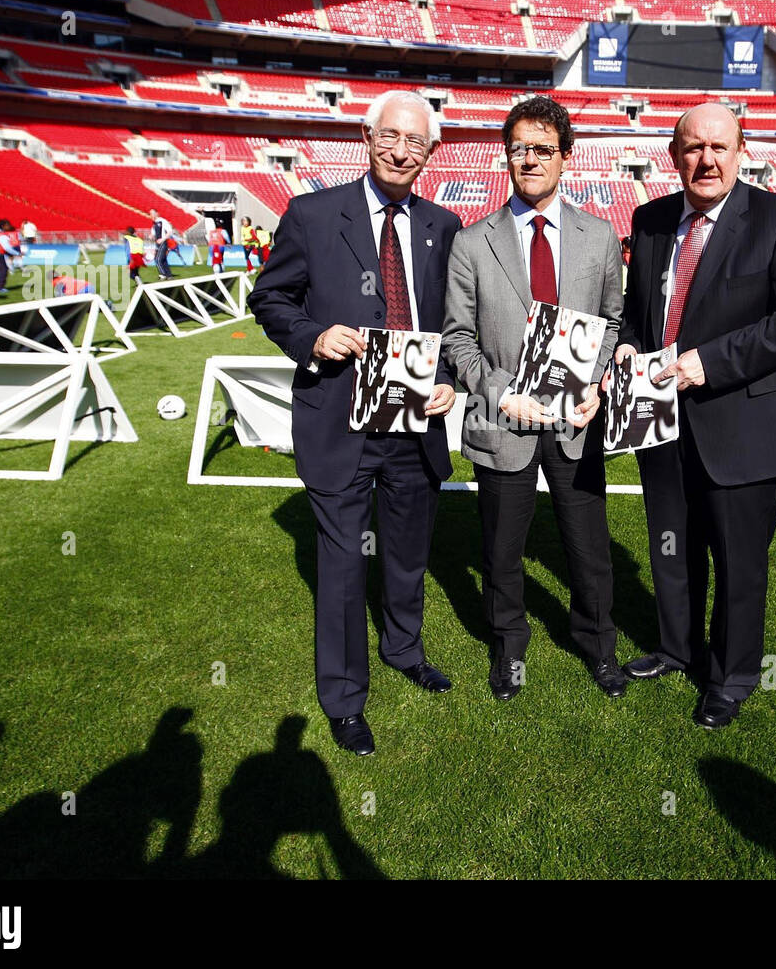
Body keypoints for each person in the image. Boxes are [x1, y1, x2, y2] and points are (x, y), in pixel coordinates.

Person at [247, 90, 463, 757]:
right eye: (390, 137)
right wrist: (314, 336)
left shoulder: (444, 226)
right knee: (342, 564)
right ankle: (343, 697)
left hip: (412, 421)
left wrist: (450, 379)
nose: (401, 151)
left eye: (416, 143)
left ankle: (404, 649)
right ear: (367, 138)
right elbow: (269, 297)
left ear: (431, 153)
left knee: (406, 553)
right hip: (338, 417)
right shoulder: (312, 215)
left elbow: (455, 326)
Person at [613, 103, 776, 729]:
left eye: (719, 147)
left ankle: (731, 677)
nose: (705, 160)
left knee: (739, 560)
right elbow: (639, 309)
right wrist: (629, 343)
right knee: (671, 548)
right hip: (660, 419)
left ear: (742, 150)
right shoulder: (652, 218)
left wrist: (705, 362)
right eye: (692, 147)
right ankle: (676, 649)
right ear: (673, 153)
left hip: (743, 424)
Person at [442, 96, 626, 701]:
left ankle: (598, 645)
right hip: (503, 421)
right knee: (501, 552)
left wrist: (594, 383)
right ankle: (509, 646)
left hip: (574, 418)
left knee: (588, 548)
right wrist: (500, 394)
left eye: (543, 149)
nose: (530, 160)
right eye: (519, 148)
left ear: (566, 158)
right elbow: (458, 338)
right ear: (507, 155)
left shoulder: (599, 237)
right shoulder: (472, 243)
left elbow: (612, 324)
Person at [150, 208, 175, 279]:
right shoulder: (154, 223)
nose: (151, 215)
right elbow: (153, 233)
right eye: (150, 213)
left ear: (156, 213)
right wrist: (151, 236)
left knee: (157, 259)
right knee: (163, 259)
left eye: (152, 213)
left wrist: (162, 239)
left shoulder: (162, 221)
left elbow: (170, 232)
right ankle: (169, 275)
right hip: (157, 244)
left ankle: (162, 274)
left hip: (163, 243)